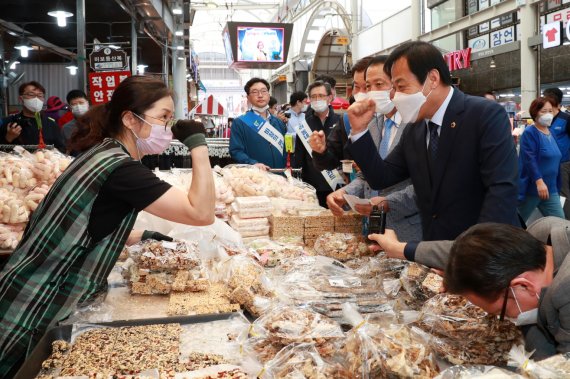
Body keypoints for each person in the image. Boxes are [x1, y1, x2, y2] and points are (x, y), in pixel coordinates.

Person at [0, 75, 215, 377]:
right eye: (163, 119)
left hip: (23, 287)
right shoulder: (122, 169)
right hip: (34, 303)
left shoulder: (105, 153)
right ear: (130, 118)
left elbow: (87, 221)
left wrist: (140, 236)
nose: (168, 129)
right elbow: (202, 212)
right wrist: (198, 146)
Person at [343, 41, 519, 242]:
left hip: (480, 249)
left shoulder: (483, 115)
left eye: (400, 86)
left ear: (432, 79)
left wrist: (476, 253)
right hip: (434, 247)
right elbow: (382, 176)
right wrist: (358, 131)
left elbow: (501, 190)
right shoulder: (415, 129)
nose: (393, 96)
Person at [369, 216, 570, 359]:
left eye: (503, 313)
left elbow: (557, 368)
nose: (511, 321)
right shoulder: (542, 234)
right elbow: (475, 250)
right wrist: (400, 249)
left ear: (522, 286)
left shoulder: (565, 293)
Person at [310, 56, 373, 171]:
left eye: (367, 86)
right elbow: (330, 160)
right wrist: (321, 151)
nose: (360, 93)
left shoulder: (396, 120)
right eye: (357, 86)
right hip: (353, 186)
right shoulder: (346, 120)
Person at [293, 81, 340, 207]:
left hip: (338, 185)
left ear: (330, 97)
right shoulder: (304, 125)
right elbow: (298, 158)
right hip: (312, 187)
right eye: (313, 96)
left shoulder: (340, 121)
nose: (317, 99)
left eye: (321, 95)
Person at [518, 97, 564, 222]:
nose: (548, 114)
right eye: (544, 111)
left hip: (551, 188)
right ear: (535, 112)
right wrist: (539, 182)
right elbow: (529, 159)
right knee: (516, 223)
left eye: (550, 111)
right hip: (533, 188)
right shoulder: (530, 133)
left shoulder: (551, 132)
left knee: (561, 225)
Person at [229, 78, 286, 170]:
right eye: (255, 92)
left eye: (264, 91)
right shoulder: (240, 122)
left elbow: (285, 150)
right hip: (255, 177)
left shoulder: (278, 122)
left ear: (269, 95)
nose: (260, 95)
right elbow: (236, 151)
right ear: (248, 97)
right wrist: (252, 163)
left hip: (280, 176)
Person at [0, 81, 65, 152]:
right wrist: (8, 138)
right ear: (21, 98)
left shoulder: (51, 124)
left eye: (40, 95)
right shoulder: (8, 123)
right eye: (31, 95)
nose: (36, 99)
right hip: (17, 162)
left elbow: (61, 148)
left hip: (45, 162)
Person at [544, 87, 570, 219]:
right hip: (548, 164)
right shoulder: (544, 119)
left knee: (563, 193)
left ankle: (566, 226)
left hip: (564, 164)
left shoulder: (566, 119)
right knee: (551, 193)